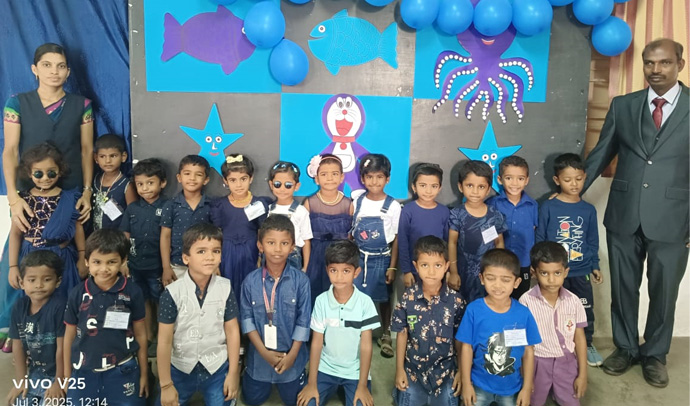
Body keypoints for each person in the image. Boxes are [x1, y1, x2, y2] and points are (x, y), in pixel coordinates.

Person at [583, 38, 689, 388]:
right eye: (649, 63)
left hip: (675, 219)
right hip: (624, 214)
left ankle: (655, 354)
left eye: (664, 63)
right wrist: (570, 192)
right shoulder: (623, 105)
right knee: (624, 287)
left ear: (680, 65)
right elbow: (601, 153)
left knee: (664, 292)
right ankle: (626, 347)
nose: (655, 70)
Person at [3, 42, 93, 231]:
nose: (54, 71)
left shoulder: (83, 105)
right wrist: (13, 198)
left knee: (72, 244)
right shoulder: (17, 103)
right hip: (29, 192)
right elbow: (10, 151)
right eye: (47, 65)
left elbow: (87, 151)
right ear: (34, 69)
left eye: (61, 66)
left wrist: (86, 192)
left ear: (68, 72)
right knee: (27, 244)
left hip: (71, 191)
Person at [156, 223, 241, 406]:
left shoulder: (225, 287)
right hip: (180, 368)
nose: (210, 257)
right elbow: (164, 341)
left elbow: (232, 331)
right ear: (186, 258)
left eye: (216, 251)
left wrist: (233, 373)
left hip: (216, 368)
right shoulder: (172, 293)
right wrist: (166, 384)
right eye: (201, 251)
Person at [63, 229, 147, 404]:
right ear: (87, 261)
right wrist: (67, 376)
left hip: (123, 369)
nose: (104, 269)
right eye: (97, 262)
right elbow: (69, 335)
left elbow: (140, 333)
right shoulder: (77, 293)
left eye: (111, 262)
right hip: (83, 371)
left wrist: (144, 374)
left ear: (123, 261)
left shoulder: (133, 292)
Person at [537, 153, 603, 366]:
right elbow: (540, 237)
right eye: (567, 179)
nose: (574, 184)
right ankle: (551, 344)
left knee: (584, 309)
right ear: (557, 180)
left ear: (585, 177)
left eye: (579, 179)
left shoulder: (588, 210)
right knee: (551, 310)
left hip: (581, 270)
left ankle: (587, 344)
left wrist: (594, 265)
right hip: (554, 273)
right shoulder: (548, 206)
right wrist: (538, 266)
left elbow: (592, 241)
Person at [297, 240, 380, 406]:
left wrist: (362, 386)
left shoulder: (365, 303)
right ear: (327, 270)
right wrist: (312, 383)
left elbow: (366, 346)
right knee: (307, 403)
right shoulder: (321, 301)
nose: (339, 277)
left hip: (354, 371)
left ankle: (352, 387)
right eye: (334, 270)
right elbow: (316, 343)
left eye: (346, 271)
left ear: (356, 272)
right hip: (325, 368)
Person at [240, 215, 311, 406]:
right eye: (271, 243)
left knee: (297, 401)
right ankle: (247, 369)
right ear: (260, 246)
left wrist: (293, 355)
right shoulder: (250, 282)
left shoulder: (301, 282)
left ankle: (298, 370)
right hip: (260, 358)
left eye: (284, 243)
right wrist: (264, 353)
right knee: (251, 400)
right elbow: (247, 321)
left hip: (291, 356)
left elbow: (303, 322)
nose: (278, 249)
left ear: (293, 246)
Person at [456, 249, 541, 406]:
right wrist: (466, 384)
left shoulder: (524, 314)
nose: (497, 285)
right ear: (482, 278)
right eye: (491, 278)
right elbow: (466, 347)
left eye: (505, 280)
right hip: (479, 384)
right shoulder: (473, 310)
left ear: (516, 282)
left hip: (511, 387)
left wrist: (527, 387)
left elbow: (529, 352)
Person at [392, 236, 465, 406]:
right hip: (414, 371)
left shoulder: (456, 301)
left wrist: (461, 371)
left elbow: (460, 339)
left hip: (444, 374)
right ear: (416, 266)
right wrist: (399, 370)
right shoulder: (407, 298)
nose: (431, 272)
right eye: (425, 265)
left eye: (437, 265)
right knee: (405, 398)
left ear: (446, 266)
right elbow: (402, 333)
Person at [7, 143, 86, 297]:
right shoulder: (22, 200)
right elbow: (15, 234)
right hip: (31, 257)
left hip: (62, 257)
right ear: (29, 173)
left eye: (51, 173)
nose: (45, 178)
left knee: (65, 299)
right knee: (35, 300)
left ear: (60, 171)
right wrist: (13, 266)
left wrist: (82, 256)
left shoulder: (69, 198)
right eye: (38, 174)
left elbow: (78, 228)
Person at [519, 242, 588, 406]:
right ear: (533, 272)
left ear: (566, 272)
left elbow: (579, 339)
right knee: (533, 401)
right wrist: (526, 379)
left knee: (571, 401)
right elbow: (523, 343)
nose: (551, 280)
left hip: (566, 363)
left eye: (557, 273)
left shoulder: (574, 301)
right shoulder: (525, 302)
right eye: (544, 273)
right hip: (536, 364)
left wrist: (583, 374)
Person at [350, 153, 401, 359]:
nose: (374, 181)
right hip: (359, 258)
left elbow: (396, 239)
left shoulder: (393, 206)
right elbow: (351, 231)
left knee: (384, 298)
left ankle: (386, 334)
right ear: (363, 179)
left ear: (387, 179)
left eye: (379, 177)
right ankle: (356, 332)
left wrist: (392, 267)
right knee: (356, 296)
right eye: (369, 177)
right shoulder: (357, 201)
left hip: (382, 259)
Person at [120, 158, 168, 357]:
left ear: (162, 183)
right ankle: (148, 336)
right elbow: (125, 235)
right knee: (143, 300)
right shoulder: (132, 209)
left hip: (158, 266)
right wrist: (123, 261)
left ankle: (162, 337)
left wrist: (167, 267)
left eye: (150, 183)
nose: (145, 188)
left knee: (161, 301)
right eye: (140, 184)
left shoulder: (168, 206)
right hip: (136, 265)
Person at [6, 250, 67, 406]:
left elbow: (62, 348)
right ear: (22, 283)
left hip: (60, 373)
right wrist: (21, 381)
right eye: (32, 280)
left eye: (47, 279)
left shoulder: (60, 306)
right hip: (36, 372)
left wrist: (59, 382)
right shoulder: (19, 306)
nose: (39, 285)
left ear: (58, 281)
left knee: (53, 402)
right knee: (17, 401)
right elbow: (18, 345)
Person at [211, 154, 270, 302]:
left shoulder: (258, 204)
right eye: (233, 180)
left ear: (251, 178)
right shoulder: (219, 205)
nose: (238, 185)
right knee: (227, 291)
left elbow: (262, 232)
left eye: (243, 179)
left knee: (251, 291)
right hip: (227, 254)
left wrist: (261, 256)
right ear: (225, 181)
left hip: (250, 252)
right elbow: (215, 236)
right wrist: (215, 262)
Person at [448, 161, 506, 301]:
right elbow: (452, 243)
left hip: (488, 274)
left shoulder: (494, 214)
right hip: (463, 273)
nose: (475, 191)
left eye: (481, 187)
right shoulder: (457, 214)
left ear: (488, 189)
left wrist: (499, 269)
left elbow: (499, 243)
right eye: (470, 185)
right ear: (460, 187)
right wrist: (453, 272)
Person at [304, 154, 353, 306]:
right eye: (324, 174)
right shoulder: (309, 203)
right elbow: (305, 238)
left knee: (339, 296)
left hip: (341, 258)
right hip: (316, 257)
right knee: (316, 295)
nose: (330, 178)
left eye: (334, 174)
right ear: (316, 178)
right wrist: (306, 265)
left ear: (342, 177)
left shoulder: (348, 204)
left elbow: (351, 237)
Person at [487, 156, 537, 299]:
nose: (514, 183)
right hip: (498, 263)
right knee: (498, 298)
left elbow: (536, 232)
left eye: (520, 178)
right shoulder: (492, 204)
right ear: (499, 179)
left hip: (524, 263)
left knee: (520, 298)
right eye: (509, 178)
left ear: (527, 180)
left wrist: (535, 261)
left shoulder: (532, 205)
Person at [160, 155, 212, 285]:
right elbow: (165, 236)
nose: (192, 178)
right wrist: (166, 267)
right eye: (187, 173)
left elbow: (216, 237)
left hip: (205, 265)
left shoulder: (212, 205)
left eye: (198, 174)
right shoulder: (171, 205)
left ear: (206, 180)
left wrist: (215, 265)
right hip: (177, 266)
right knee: (178, 297)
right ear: (179, 177)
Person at [397, 163, 450, 287]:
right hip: (414, 270)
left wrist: (448, 270)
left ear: (440, 188)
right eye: (423, 185)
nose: (428, 191)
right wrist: (406, 271)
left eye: (434, 186)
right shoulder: (408, 210)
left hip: (437, 271)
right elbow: (403, 241)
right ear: (414, 187)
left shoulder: (444, 212)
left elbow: (448, 243)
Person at [267, 161, 313, 270]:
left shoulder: (301, 211)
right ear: (271, 184)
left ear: (296, 186)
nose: (282, 189)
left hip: (293, 257)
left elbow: (306, 241)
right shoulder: (268, 209)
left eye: (288, 185)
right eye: (277, 184)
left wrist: (305, 267)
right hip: (270, 257)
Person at [91, 133, 137, 230]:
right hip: (95, 236)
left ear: (123, 156)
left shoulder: (127, 185)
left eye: (113, 156)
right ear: (96, 158)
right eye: (102, 156)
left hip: (117, 236)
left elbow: (133, 215)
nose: (108, 161)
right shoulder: (95, 180)